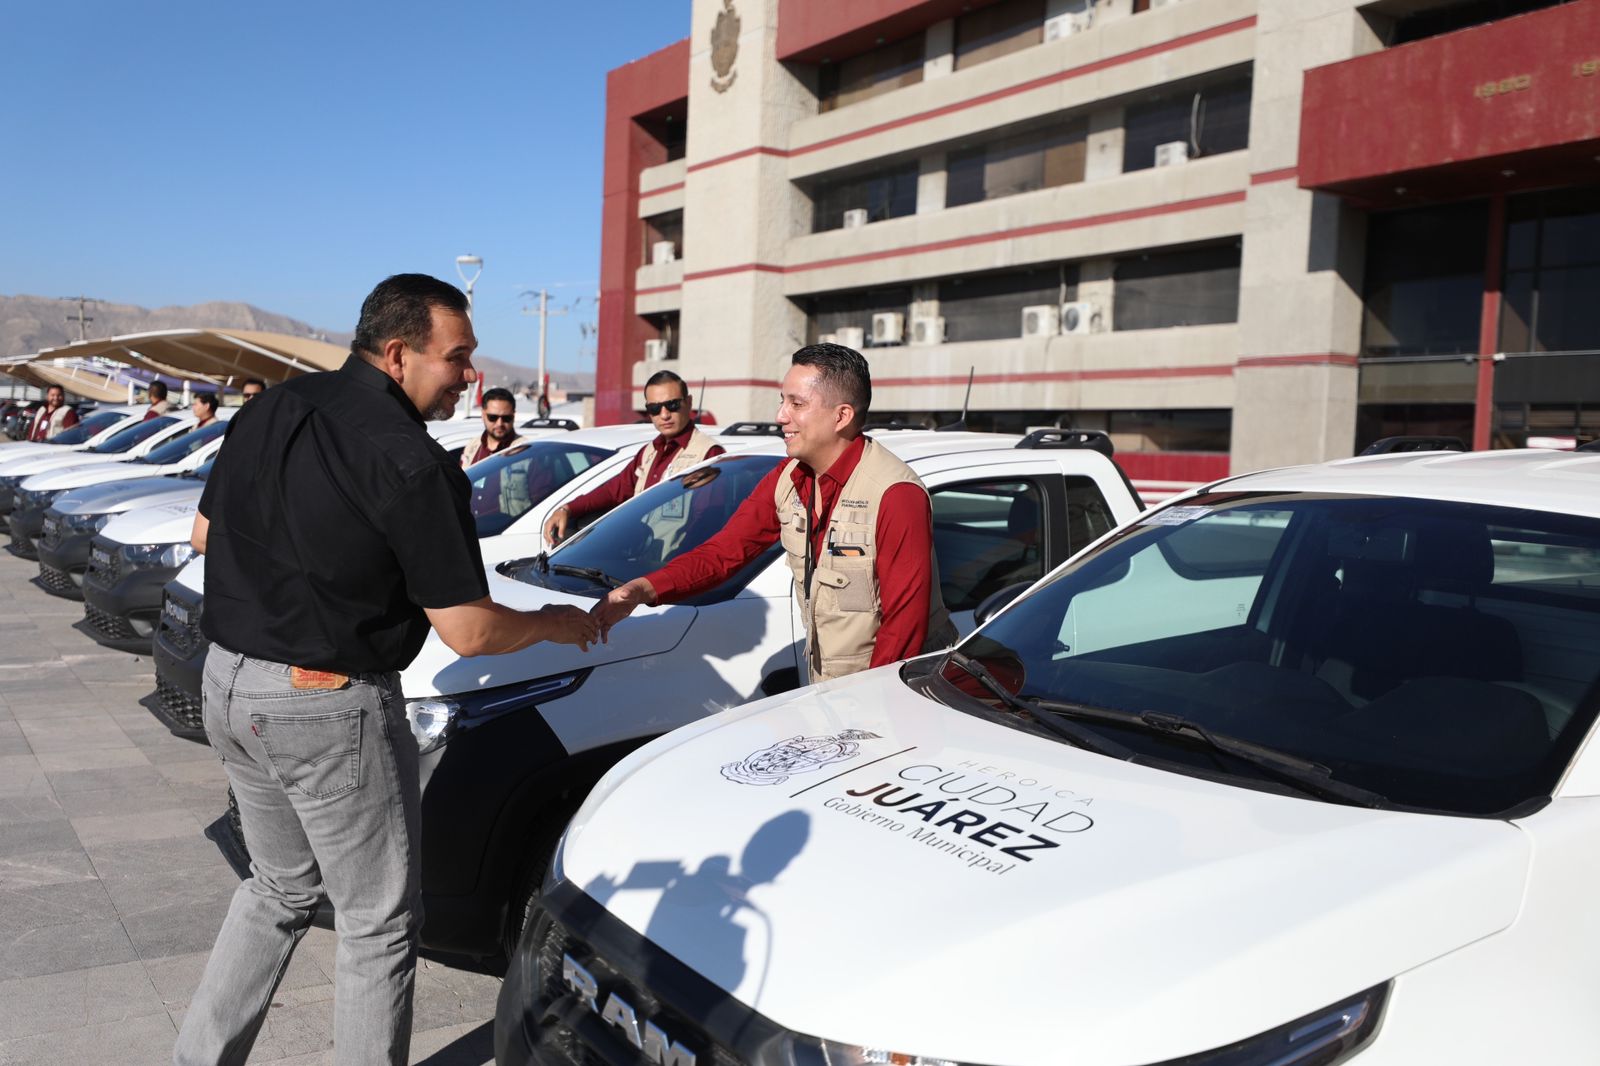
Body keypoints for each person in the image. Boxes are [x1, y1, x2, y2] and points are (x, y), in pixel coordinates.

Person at [174, 274, 600, 1066]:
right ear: (400, 354)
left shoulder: (270, 408)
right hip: (322, 705)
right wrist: (555, 623)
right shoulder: (412, 462)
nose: (470, 376)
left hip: (229, 683)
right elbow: (469, 630)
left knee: (277, 890)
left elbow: (205, 535)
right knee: (378, 925)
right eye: (458, 358)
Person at [594, 344, 957, 683]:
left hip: (897, 691)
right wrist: (643, 588)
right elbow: (724, 553)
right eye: (782, 401)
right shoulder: (787, 479)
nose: (780, 416)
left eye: (796, 404)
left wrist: (870, 711)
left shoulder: (894, 494)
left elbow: (903, 628)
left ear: (841, 416)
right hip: (832, 689)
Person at [543, 370, 723, 544]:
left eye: (672, 404)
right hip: (641, 559)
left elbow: (705, 523)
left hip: (674, 566)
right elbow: (613, 491)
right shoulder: (649, 452)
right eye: (655, 408)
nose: (665, 414)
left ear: (688, 402)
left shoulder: (708, 454)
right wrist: (567, 509)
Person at [459, 386, 527, 469]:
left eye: (506, 418)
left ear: (513, 416)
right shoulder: (472, 447)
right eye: (493, 417)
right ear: (483, 414)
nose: (499, 423)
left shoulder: (525, 450)